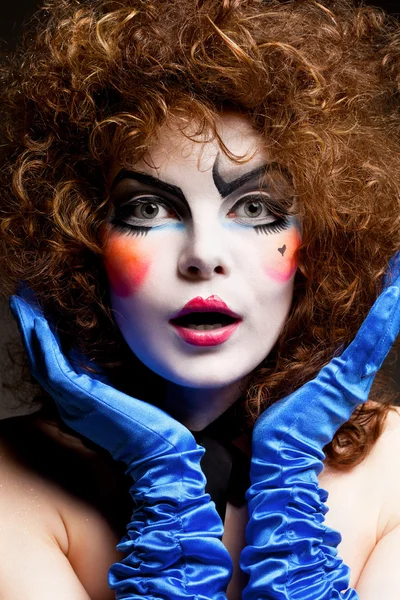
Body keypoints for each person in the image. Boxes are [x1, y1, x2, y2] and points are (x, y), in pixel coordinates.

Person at [0, 0, 399, 598]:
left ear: (319, 239)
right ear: (81, 243)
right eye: (148, 208)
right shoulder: (12, 481)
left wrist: (288, 467)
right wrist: (163, 475)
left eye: (257, 208)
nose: (203, 255)